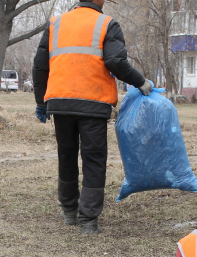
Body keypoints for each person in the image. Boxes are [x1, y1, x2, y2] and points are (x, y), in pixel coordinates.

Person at [32, 0, 153, 234]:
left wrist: (41, 101)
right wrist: (141, 82)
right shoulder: (107, 24)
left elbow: (40, 65)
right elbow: (115, 61)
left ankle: (69, 212)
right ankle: (88, 220)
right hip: (93, 103)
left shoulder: (56, 23)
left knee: (66, 156)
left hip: (61, 103)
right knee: (94, 161)